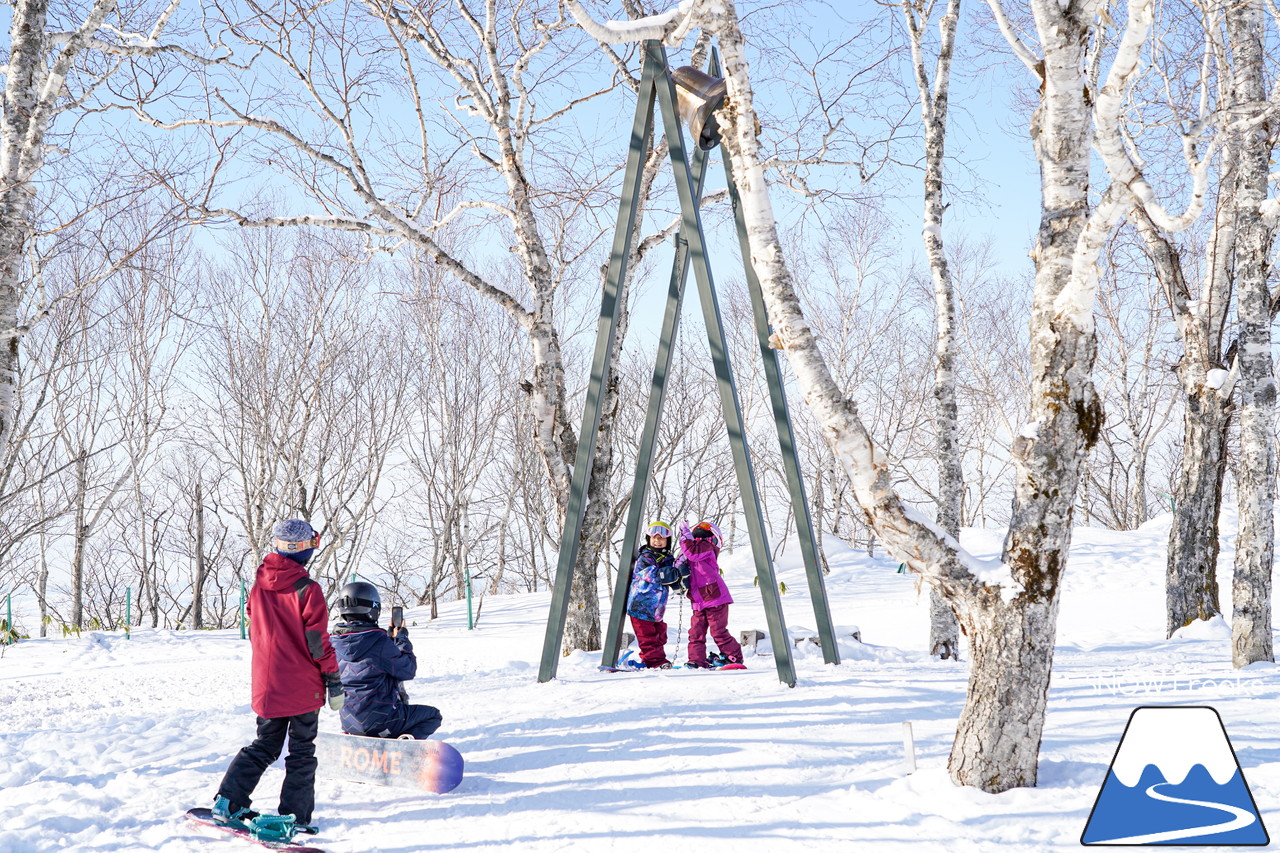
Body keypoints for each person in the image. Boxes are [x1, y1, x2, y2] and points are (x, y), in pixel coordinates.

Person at [213, 518, 344, 841]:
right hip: (302, 687)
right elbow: (318, 642)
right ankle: (295, 816)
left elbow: (253, 619)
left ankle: (228, 801)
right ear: (303, 549)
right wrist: (334, 679)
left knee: (264, 745)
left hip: (268, 685)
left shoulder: (258, 587)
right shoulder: (307, 590)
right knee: (301, 751)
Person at [330, 581, 443, 740]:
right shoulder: (378, 642)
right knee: (433, 716)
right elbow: (407, 670)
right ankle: (403, 746)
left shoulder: (332, 643)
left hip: (349, 723)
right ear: (373, 609)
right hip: (381, 722)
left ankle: (359, 737)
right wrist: (401, 640)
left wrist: (390, 642)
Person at [677, 520, 744, 669]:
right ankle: (696, 660)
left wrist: (684, 535)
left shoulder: (707, 548)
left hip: (715, 598)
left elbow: (693, 553)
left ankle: (733, 656)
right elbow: (682, 562)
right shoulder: (692, 550)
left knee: (718, 631)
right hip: (698, 600)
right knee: (695, 633)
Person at [625, 520, 678, 668]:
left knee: (660, 633)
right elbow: (650, 574)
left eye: (661, 538)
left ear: (668, 541)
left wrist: (679, 578)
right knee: (648, 637)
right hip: (640, 606)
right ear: (649, 539)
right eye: (654, 538)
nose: (657, 541)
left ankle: (648, 660)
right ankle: (656, 661)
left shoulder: (668, 558)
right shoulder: (646, 556)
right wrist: (667, 574)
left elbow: (671, 575)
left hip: (656, 608)